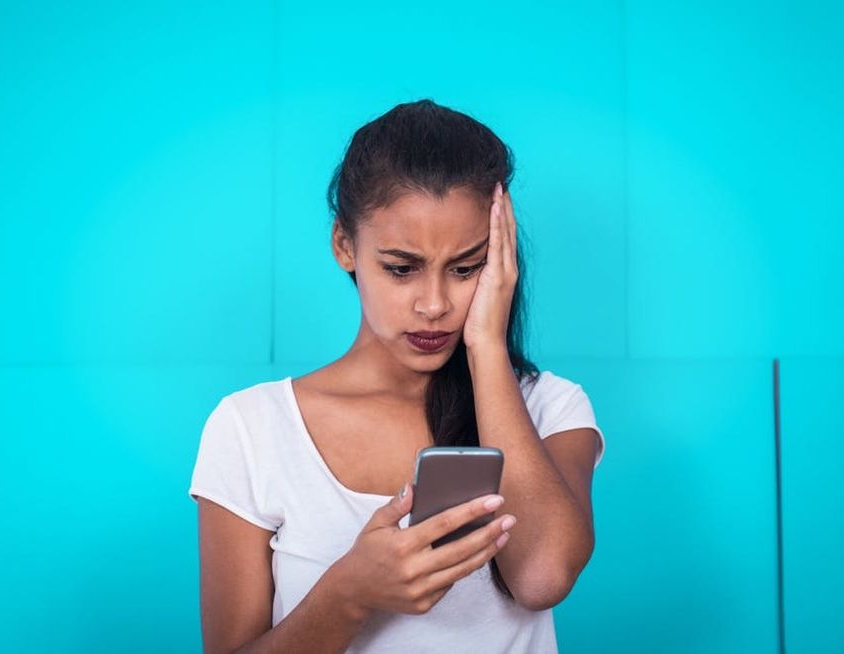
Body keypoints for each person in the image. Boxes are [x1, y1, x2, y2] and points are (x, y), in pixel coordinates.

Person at [188, 98, 605, 653]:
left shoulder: (552, 407)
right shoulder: (250, 427)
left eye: (465, 268)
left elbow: (542, 576)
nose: (434, 304)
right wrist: (351, 594)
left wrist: (485, 347)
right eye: (401, 269)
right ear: (345, 245)